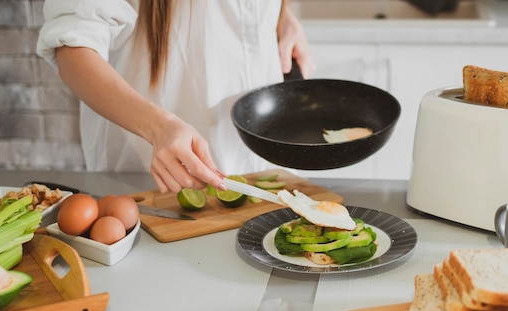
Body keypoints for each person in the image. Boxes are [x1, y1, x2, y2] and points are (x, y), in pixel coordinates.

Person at [37, 0, 315, 193]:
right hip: (156, 181)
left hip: (259, 169)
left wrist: (281, 18)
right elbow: (73, 49)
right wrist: (158, 128)